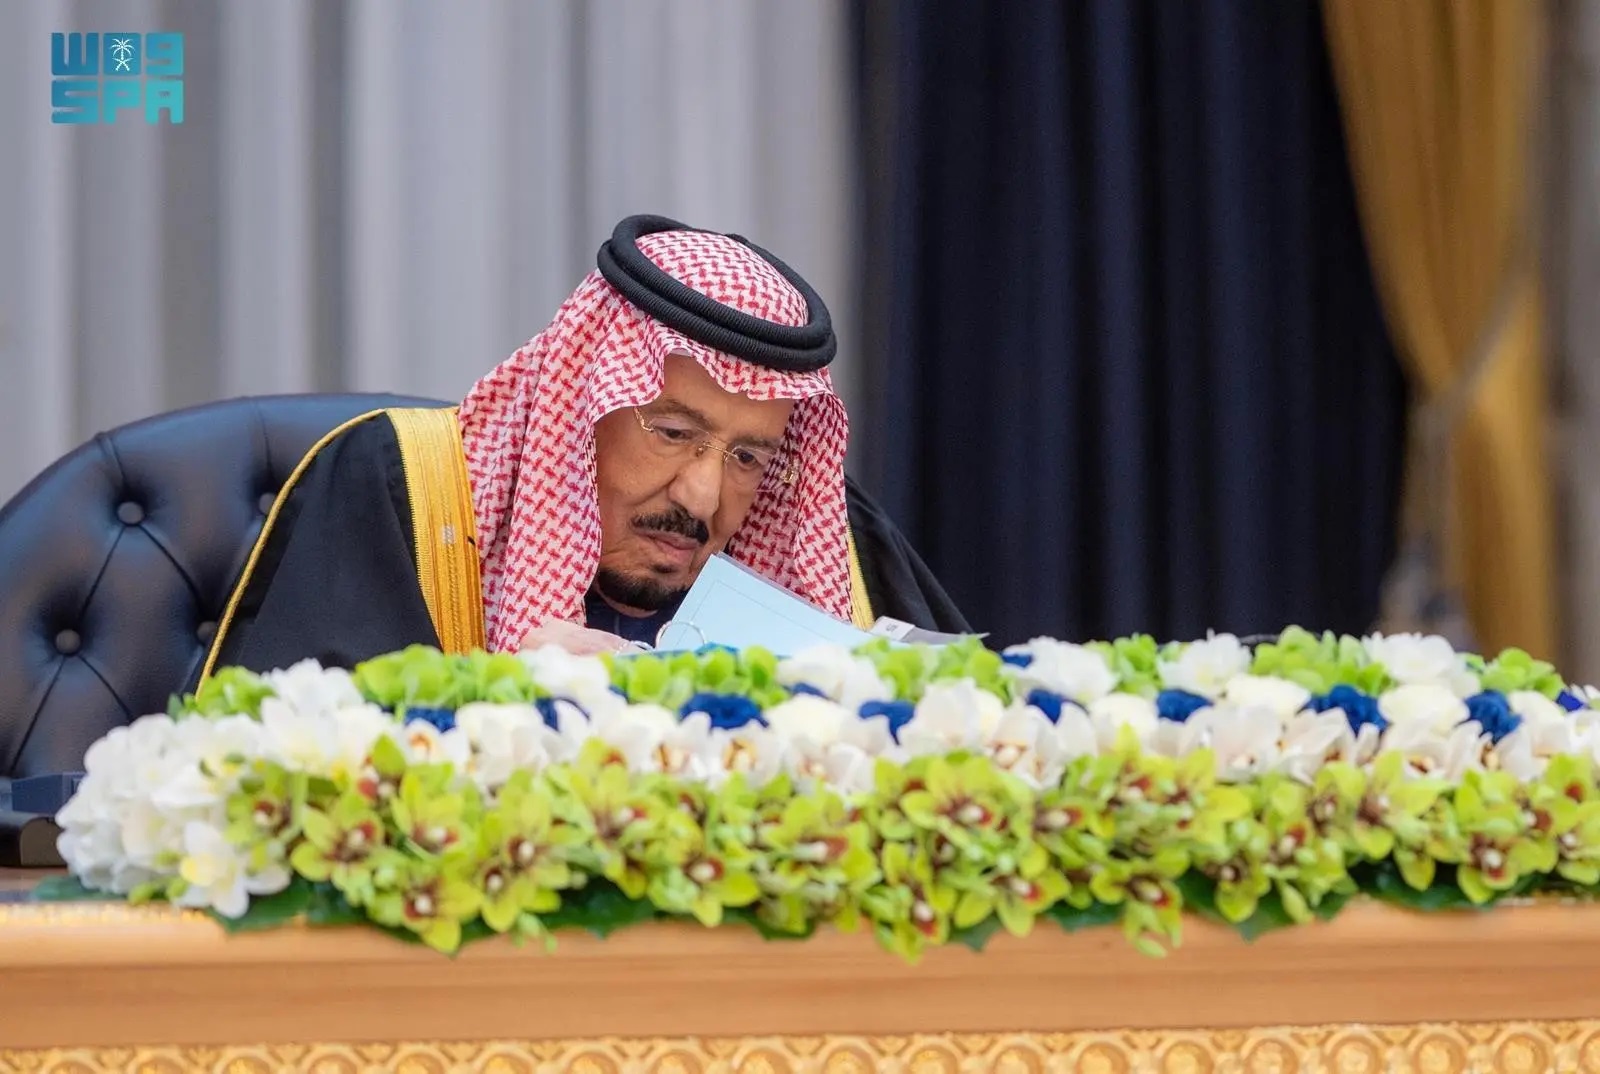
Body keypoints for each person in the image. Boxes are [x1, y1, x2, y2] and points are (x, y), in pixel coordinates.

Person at [194, 215, 968, 687]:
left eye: (746, 457)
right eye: (673, 433)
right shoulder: (398, 489)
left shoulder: (819, 535)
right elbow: (285, 791)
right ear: (581, 406)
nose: (702, 496)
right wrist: (502, 710)